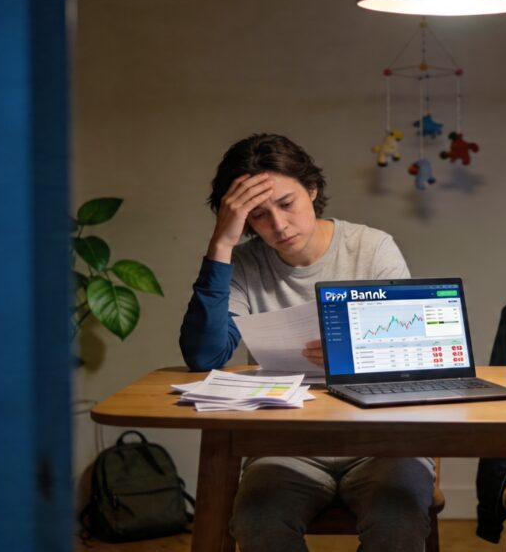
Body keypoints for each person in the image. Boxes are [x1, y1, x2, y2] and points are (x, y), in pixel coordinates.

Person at [178, 133, 434, 552]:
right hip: (285, 445)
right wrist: (222, 243)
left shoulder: (371, 247)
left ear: (312, 191)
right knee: (258, 519)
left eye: (286, 204)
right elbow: (204, 357)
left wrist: (353, 353)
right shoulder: (242, 263)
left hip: (382, 441)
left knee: (397, 517)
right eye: (257, 215)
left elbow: (416, 350)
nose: (278, 226)